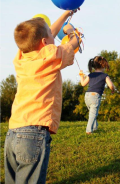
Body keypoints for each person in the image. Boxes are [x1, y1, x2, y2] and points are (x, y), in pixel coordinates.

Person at [4, 10, 80, 184]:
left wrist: (65, 14)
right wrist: (73, 33)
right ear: (45, 43)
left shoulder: (21, 57)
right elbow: (71, 46)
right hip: (33, 134)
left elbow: (48, 35)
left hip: (13, 133)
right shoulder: (51, 55)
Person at [80, 56, 116, 134]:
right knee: (93, 114)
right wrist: (113, 90)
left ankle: (95, 127)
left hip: (87, 96)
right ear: (103, 65)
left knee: (92, 112)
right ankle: (89, 130)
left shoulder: (91, 75)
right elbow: (111, 86)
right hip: (95, 96)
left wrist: (81, 76)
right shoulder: (104, 75)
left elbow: (83, 84)